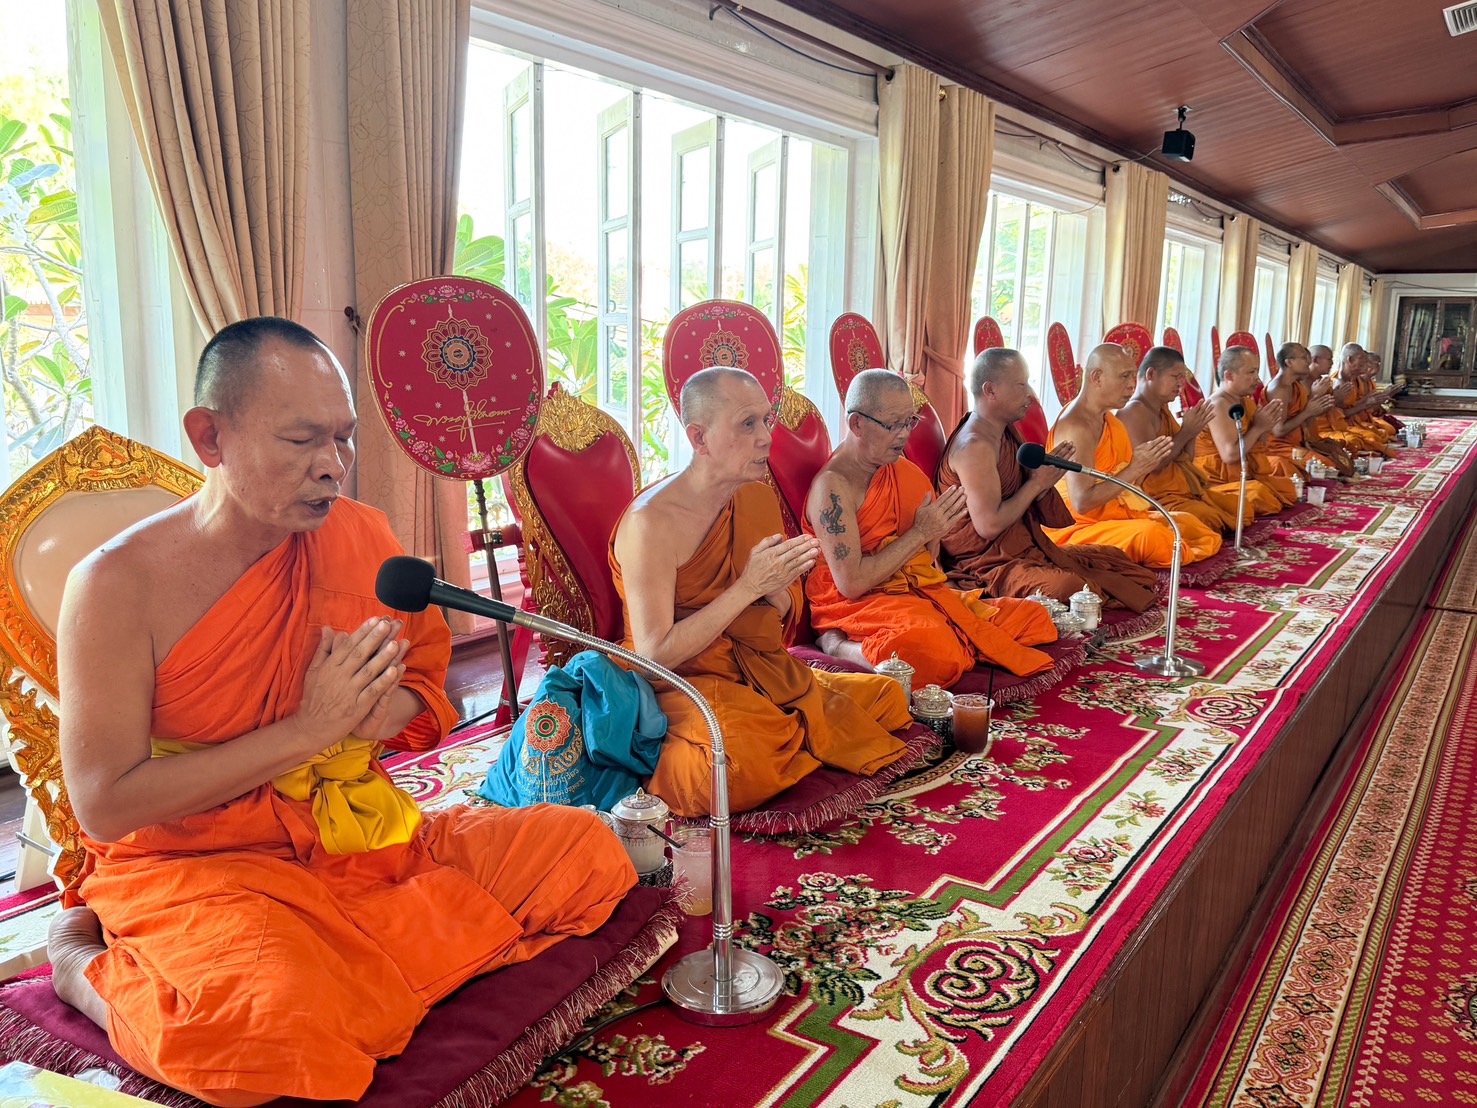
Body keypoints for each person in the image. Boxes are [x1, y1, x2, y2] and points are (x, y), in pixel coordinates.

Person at [47, 318, 636, 1106]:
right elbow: (107, 803)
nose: (332, 468)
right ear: (209, 437)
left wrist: (371, 716)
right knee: (267, 1034)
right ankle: (79, 966)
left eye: (344, 439)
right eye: (300, 441)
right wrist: (306, 732)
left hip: (356, 838)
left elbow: (425, 689)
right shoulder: (116, 586)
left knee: (585, 851)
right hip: (199, 863)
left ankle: (363, 971)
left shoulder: (361, 538)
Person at [610, 366, 909, 817]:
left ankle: (789, 726)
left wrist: (775, 591)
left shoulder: (754, 496)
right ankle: (783, 730)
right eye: (748, 424)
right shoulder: (650, 523)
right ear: (699, 438)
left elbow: (779, 617)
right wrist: (748, 586)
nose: (768, 438)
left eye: (766, 421)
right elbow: (654, 654)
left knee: (888, 697)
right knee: (729, 768)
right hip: (681, 678)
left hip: (756, 665)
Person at [803, 369, 1058, 690]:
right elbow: (851, 583)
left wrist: (932, 537)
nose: (903, 436)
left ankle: (950, 637)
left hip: (910, 591)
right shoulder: (833, 488)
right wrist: (920, 534)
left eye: (909, 422)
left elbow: (928, 558)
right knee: (938, 654)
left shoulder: (899, 470)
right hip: (857, 600)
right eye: (892, 425)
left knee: (1033, 618)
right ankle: (839, 646)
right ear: (856, 424)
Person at [936, 348, 1158, 612]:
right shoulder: (975, 446)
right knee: (1072, 588)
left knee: (1119, 563)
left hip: (1022, 548)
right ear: (990, 390)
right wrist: (1036, 484)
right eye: (1021, 384)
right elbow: (989, 526)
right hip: (984, 563)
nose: (1030, 393)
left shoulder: (1002, 430)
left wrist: (1042, 477)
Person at [1045, 344, 1223, 567]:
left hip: (1112, 516)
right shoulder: (1077, 427)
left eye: (1132, 375)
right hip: (1076, 527)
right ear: (1097, 377)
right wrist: (1134, 469)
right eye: (1124, 376)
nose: (1132, 385)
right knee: (1153, 535)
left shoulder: (1108, 420)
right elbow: (1082, 502)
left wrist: (1139, 467)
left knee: (1190, 525)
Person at [1117, 346, 1276, 528]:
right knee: (1206, 519)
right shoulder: (1134, 412)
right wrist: (1186, 432)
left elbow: (1187, 459)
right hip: (1155, 498)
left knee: (1241, 508)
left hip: (1183, 491)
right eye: (1175, 377)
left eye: (1182, 378)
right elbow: (1151, 465)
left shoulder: (1161, 410)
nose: (1181, 384)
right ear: (1151, 374)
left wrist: (1191, 433)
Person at [1194, 346, 1298, 507]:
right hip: (1216, 481)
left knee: (1286, 488)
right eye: (1251, 372)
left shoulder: (1245, 402)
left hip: (1243, 476)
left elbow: (1260, 444)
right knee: (1259, 493)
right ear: (1229, 375)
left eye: (1257, 372)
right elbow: (1230, 455)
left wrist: (1265, 426)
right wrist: (1258, 427)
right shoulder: (1219, 404)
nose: (1257, 379)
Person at [1264, 341, 1353, 476]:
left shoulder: (1296, 385)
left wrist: (1314, 400)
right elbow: (1278, 431)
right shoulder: (1279, 389)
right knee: (1328, 466)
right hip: (1279, 446)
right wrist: (1308, 411)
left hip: (1300, 441)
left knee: (1338, 453)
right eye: (1304, 358)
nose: (1308, 361)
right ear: (1289, 362)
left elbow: (1307, 418)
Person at [1335, 344, 1398, 455]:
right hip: (1341, 425)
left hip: (1357, 422)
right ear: (1350, 360)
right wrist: (1367, 403)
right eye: (1363, 361)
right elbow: (1341, 414)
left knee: (1384, 432)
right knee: (1370, 438)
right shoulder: (1339, 384)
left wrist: (1377, 400)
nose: (1366, 365)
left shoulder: (1354, 381)